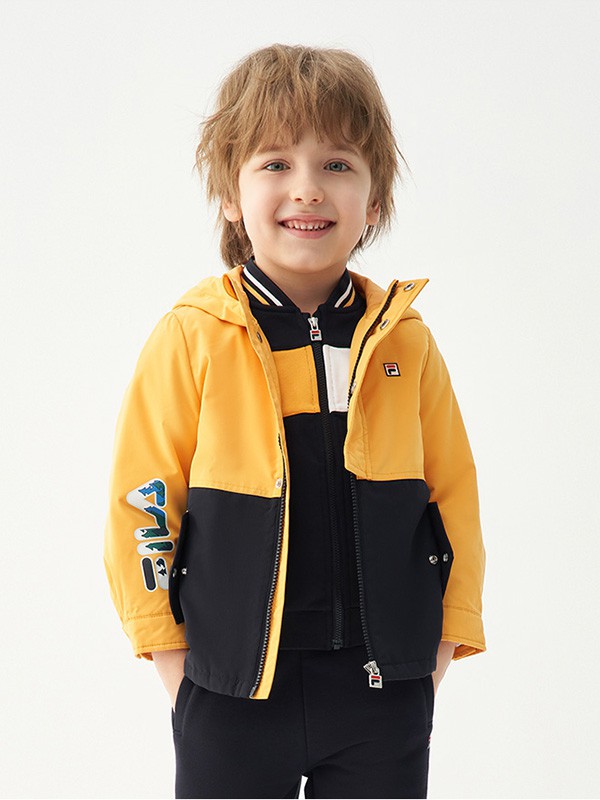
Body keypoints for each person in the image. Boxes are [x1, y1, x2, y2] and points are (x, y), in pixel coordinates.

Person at [103, 43, 487, 799]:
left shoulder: (404, 342)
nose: (307, 188)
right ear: (230, 194)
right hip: (231, 693)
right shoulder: (193, 336)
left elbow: (453, 501)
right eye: (275, 163)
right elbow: (143, 501)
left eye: (337, 164)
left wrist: (434, 655)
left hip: (383, 693)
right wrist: (175, 665)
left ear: (374, 202)